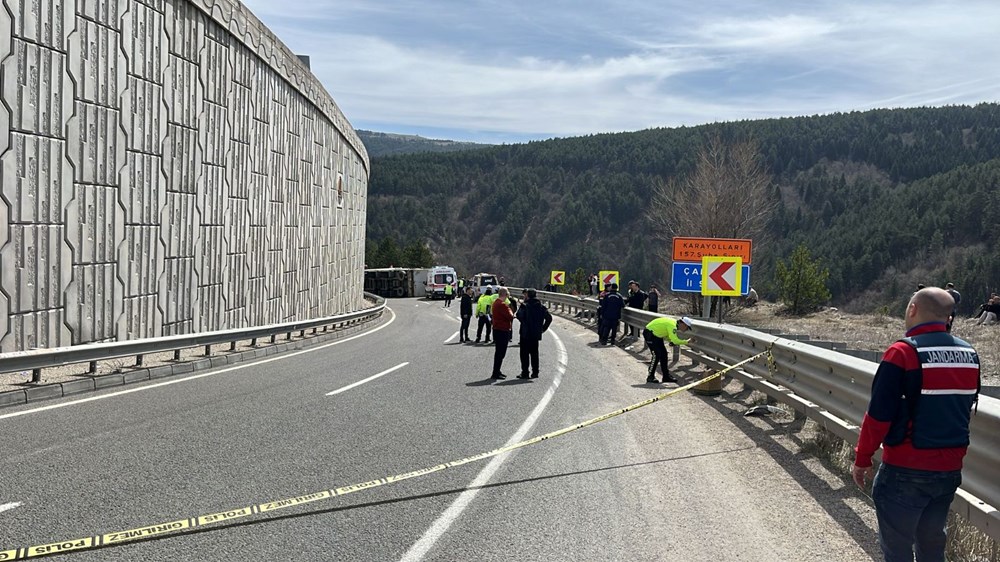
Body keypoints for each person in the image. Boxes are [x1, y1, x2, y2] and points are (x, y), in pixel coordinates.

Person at [852, 288, 980, 562]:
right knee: (932, 546)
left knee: (897, 549)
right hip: (948, 470)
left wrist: (862, 458)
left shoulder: (902, 353)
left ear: (913, 309)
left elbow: (878, 416)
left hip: (905, 468)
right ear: (948, 316)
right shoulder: (969, 354)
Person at [642, 316, 694, 383]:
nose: (686, 330)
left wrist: (670, 341)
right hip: (650, 334)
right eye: (687, 328)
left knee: (664, 355)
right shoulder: (672, 325)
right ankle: (650, 377)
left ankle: (666, 376)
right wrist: (687, 341)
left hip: (657, 335)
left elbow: (667, 335)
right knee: (656, 355)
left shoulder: (674, 324)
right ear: (683, 324)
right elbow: (675, 341)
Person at [515, 288, 553, 379]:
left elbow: (518, 315)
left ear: (527, 295)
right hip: (535, 333)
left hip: (525, 333)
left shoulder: (524, 305)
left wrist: (524, 322)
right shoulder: (541, 306)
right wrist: (543, 329)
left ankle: (525, 372)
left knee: (524, 354)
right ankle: (535, 372)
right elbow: (549, 318)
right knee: (534, 353)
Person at [490, 288, 515, 380]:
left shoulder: (495, 303)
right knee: (501, 352)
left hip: (497, 329)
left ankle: (497, 371)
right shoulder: (502, 305)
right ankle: (495, 372)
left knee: (499, 352)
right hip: (502, 330)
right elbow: (510, 316)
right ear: (506, 294)